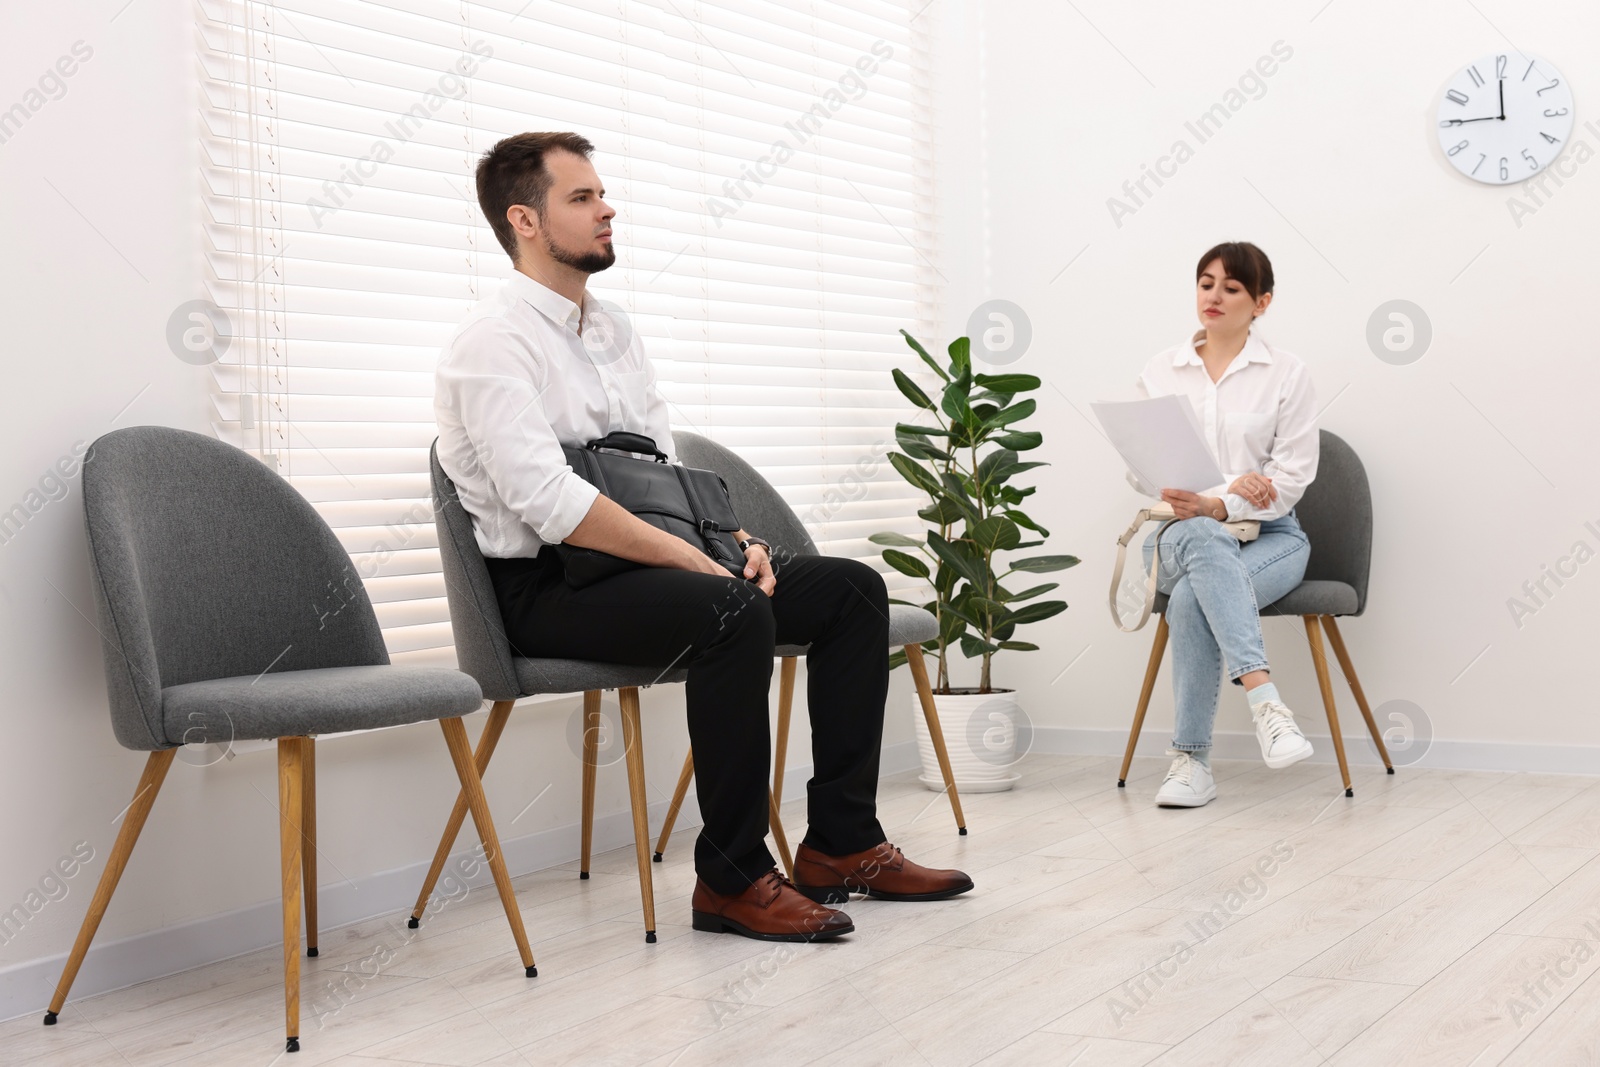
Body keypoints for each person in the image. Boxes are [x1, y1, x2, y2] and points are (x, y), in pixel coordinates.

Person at [433, 132, 972, 941]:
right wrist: (699, 564)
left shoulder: (611, 329)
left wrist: (730, 541)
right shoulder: (490, 342)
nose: (606, 207)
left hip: (637, 567)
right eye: (581, 198)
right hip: (546, 588)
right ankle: (731, 876)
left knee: (851, 591)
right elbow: (549, 502)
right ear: (525, 220)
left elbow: (663, 473)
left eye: (602, 192)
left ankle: (842, 845)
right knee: (732, 611)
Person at [1129, 241, 1319, 808]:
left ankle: (1190, 763)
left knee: (1191, 600)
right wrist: (1225, 494)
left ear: (1261, 302)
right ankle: (1266, 702)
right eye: (1206, 282)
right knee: (1198, 540)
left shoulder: (1287, 373)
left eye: (1232, 287)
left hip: (1272, 539)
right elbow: (1143, 473)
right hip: (1172, 536)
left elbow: (1293, 476)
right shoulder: (1160, 370)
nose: (1215, 295)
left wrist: (1220, 504)